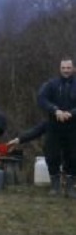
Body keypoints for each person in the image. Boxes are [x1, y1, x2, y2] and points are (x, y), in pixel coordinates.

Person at [36, 57, 76, 198]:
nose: (66, 70)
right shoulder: (51, 84)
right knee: (51, 154)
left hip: (73, 127)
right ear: (60, 69)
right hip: (54, 125)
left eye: (68, 68)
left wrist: (71, 114)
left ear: (73, 69)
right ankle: (55, 184)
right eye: (63, 68)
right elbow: (41, 98)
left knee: (73, 156)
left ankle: (71, 186)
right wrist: (55, 110)